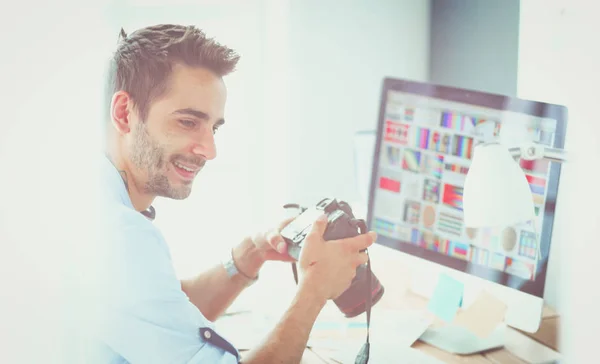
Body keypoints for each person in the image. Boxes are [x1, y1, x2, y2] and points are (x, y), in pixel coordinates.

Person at [90, 23, 376, 364]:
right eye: (187, 122)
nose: (209, 150)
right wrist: (314, 291)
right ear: (125, 113)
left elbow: (165, 314)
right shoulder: (117, 235)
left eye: (213, 127)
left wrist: (248, 255)